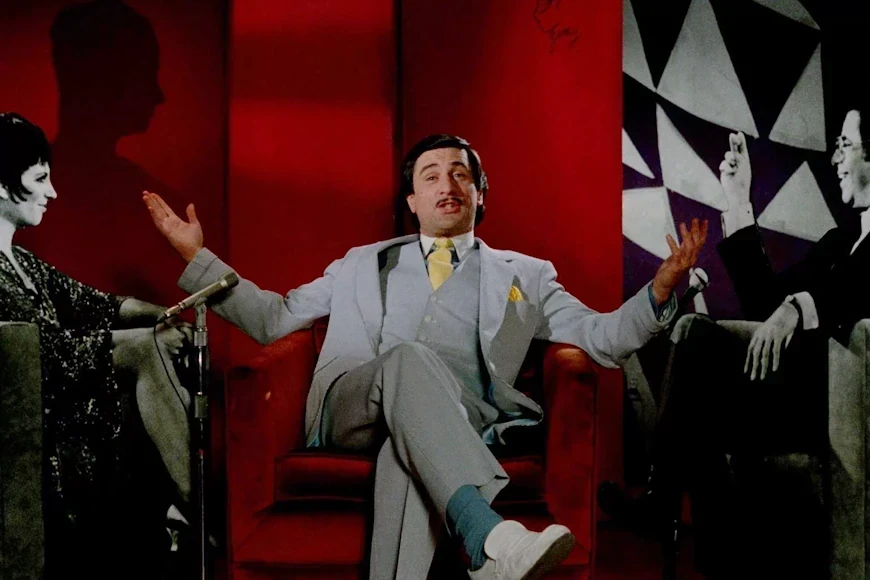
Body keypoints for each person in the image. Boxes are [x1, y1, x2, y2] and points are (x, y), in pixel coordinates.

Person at [144, 133, 707, 580]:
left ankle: (488, 551)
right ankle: (490, 533)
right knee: (408, 359)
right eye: (431, 175)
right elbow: (272, 319)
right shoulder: (360, 263)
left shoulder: (527, 278)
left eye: (461, 174)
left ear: (481, 194)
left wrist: (660, 290)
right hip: (353, 409)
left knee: (406, 456)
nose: (447, 184)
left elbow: (602, 338)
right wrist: (198, 257)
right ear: (412, 200)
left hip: (454, 424)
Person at [605, 106, 870, 578]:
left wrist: (798, 307)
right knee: (698, 381)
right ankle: (699, 541)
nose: (834, 159)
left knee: (697, 353)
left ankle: (661, 503)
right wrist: (739, 200)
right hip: (783, 397)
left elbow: (857, 288)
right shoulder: (838, 241)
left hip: (827, 408)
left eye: (845, 146)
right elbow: (764, 304)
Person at [0, 112, 192, 578]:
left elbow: (101, 305)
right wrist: (144, 341)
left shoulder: (24, 262)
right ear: (2, 186)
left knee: (155, 349)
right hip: (32, 429)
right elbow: (40, 353)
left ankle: (183, 505)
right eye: (40, 179)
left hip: (78, 418)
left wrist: (168, 315)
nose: (52, 192)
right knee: (144, 352)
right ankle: (198, 502)